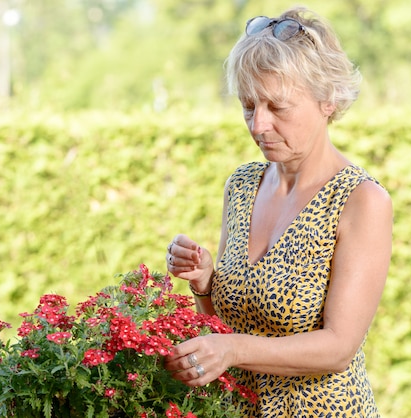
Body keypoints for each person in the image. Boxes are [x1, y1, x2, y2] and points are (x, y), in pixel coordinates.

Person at [164, 6, 392, 417]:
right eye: (248, 105)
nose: (258, 125)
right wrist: (204, 282)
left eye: (278, 107)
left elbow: (338, 348)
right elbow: (226, 328)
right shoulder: (242, 185)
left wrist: (232, 349)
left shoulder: (361, 200)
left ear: (329, 99)